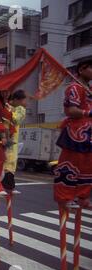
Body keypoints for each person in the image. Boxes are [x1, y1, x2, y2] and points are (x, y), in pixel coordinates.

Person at [54, 59, 92, 209]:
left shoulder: (88, 88)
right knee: (70, 165)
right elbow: (71, 110)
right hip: (76, 133)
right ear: (82, 69)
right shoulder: (74, 87)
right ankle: (65, 197)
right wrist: (88, 112)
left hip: (88, 134)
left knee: (88, 167)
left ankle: (82, 197)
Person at [2, 89, 27, 193]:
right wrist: (21, 109)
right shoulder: (10, 108)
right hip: (6, 136)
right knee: (8, 160)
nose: (24, 104)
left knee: (11, 161)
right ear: (16, 100)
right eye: (23, 101)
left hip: (12, 138)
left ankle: (9, 186)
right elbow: (16, 119)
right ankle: (8, 186)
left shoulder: (11, 108)